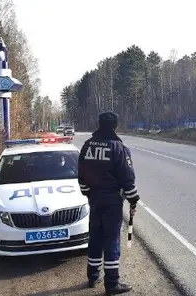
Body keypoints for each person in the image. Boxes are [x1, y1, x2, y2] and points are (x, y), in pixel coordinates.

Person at [78, 111, 140, 295]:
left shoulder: (88, 145)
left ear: (99, 124)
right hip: (112, 201)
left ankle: (92, 276)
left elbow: (81, 174)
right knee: (111, 240)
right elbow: (127, 178)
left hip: (95, 199)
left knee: (95, 237)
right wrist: (133, 199)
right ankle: (112, 283)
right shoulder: (118, 147)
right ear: (115, 126)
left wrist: (88, 193)